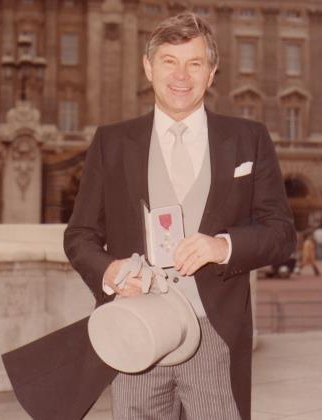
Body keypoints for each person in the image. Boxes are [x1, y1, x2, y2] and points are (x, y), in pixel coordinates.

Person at [63, 12, 296, 420]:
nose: (181, 76)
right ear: (148, 67)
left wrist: (222, 246)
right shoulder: (112, 142)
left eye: (195, 63)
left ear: (212, 73)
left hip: (214, 332)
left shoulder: (248, 138)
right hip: (137, 329)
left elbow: (281, 234)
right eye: (169, 61)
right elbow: (79, 235)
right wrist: (111, 270)